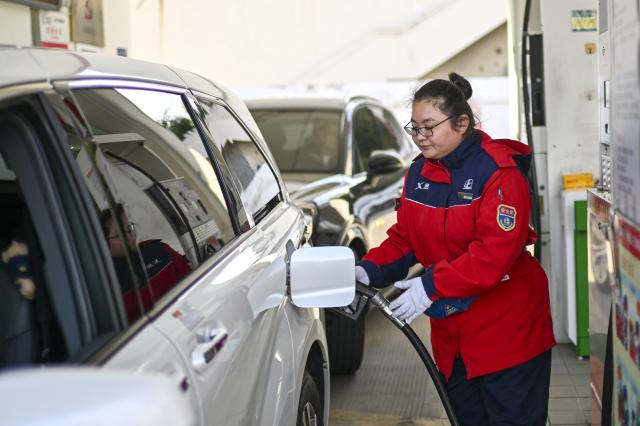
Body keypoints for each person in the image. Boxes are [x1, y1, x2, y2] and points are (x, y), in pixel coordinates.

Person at [355, 73, 556, 426]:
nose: (420, 137)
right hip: (454, 340)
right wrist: (366, 270)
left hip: (508, 335)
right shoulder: (418, 174)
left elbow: (493, 254)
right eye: (414, 128)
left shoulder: (498, 172)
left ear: (462, 123)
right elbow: (407, 240)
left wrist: (430, 286)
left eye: (429, 127)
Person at [100, 204, 191, 322]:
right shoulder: (106, 285)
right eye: (119, 234)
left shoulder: (160, 251)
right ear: (103, 243)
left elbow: (192, 282)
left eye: (129, 228)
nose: (129, 236)